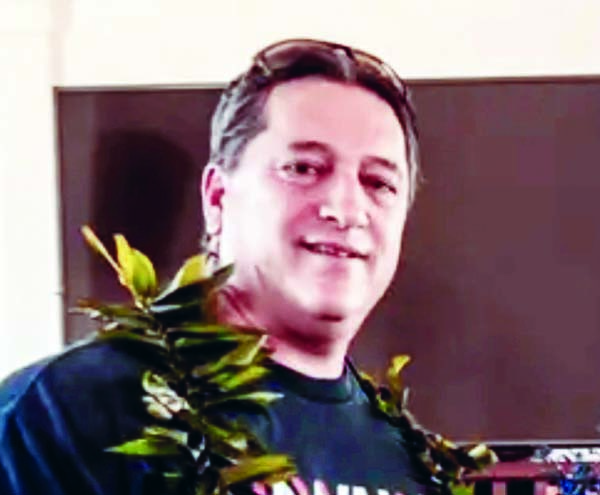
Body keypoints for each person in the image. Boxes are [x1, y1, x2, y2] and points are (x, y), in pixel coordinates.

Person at [0, 39, 476, 495]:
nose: (346, 209)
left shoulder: (407, 456)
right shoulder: (66, 411)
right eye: (303, 168)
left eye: (378, 182)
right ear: (217, 197)